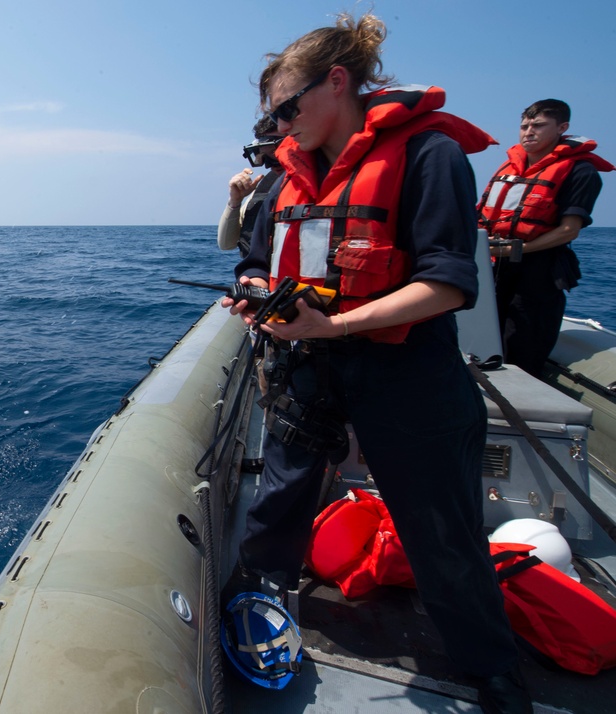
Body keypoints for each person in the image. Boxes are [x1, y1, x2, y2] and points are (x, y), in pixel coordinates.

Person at [223, 12, 532, 713]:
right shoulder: (281, 180)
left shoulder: (428, 156)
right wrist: (253, 296)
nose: (276, 124)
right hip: (307, 368)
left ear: (337, 83)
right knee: (277, 507)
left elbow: (449, 283)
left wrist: (333, 324)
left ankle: (491, 670)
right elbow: (252, 262)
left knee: (441, 529)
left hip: (407, 373)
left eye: (285, 108)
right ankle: (253, 615)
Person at [477, 99, 613, 378]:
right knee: (480, 342)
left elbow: (569, 230)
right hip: (494, 267)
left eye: (538, 126)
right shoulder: (509, 169)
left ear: (562, 127)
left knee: (521, 346)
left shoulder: (580, 172)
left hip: (538, 272)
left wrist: (519, 249)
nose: (529, 132)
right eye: (525, 126)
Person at [218, 115, 284, 258]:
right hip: (257, 277)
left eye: (274, 152)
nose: (268, 164)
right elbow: (226, 244)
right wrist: (235, 201)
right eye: (263, 155)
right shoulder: (263, 191)